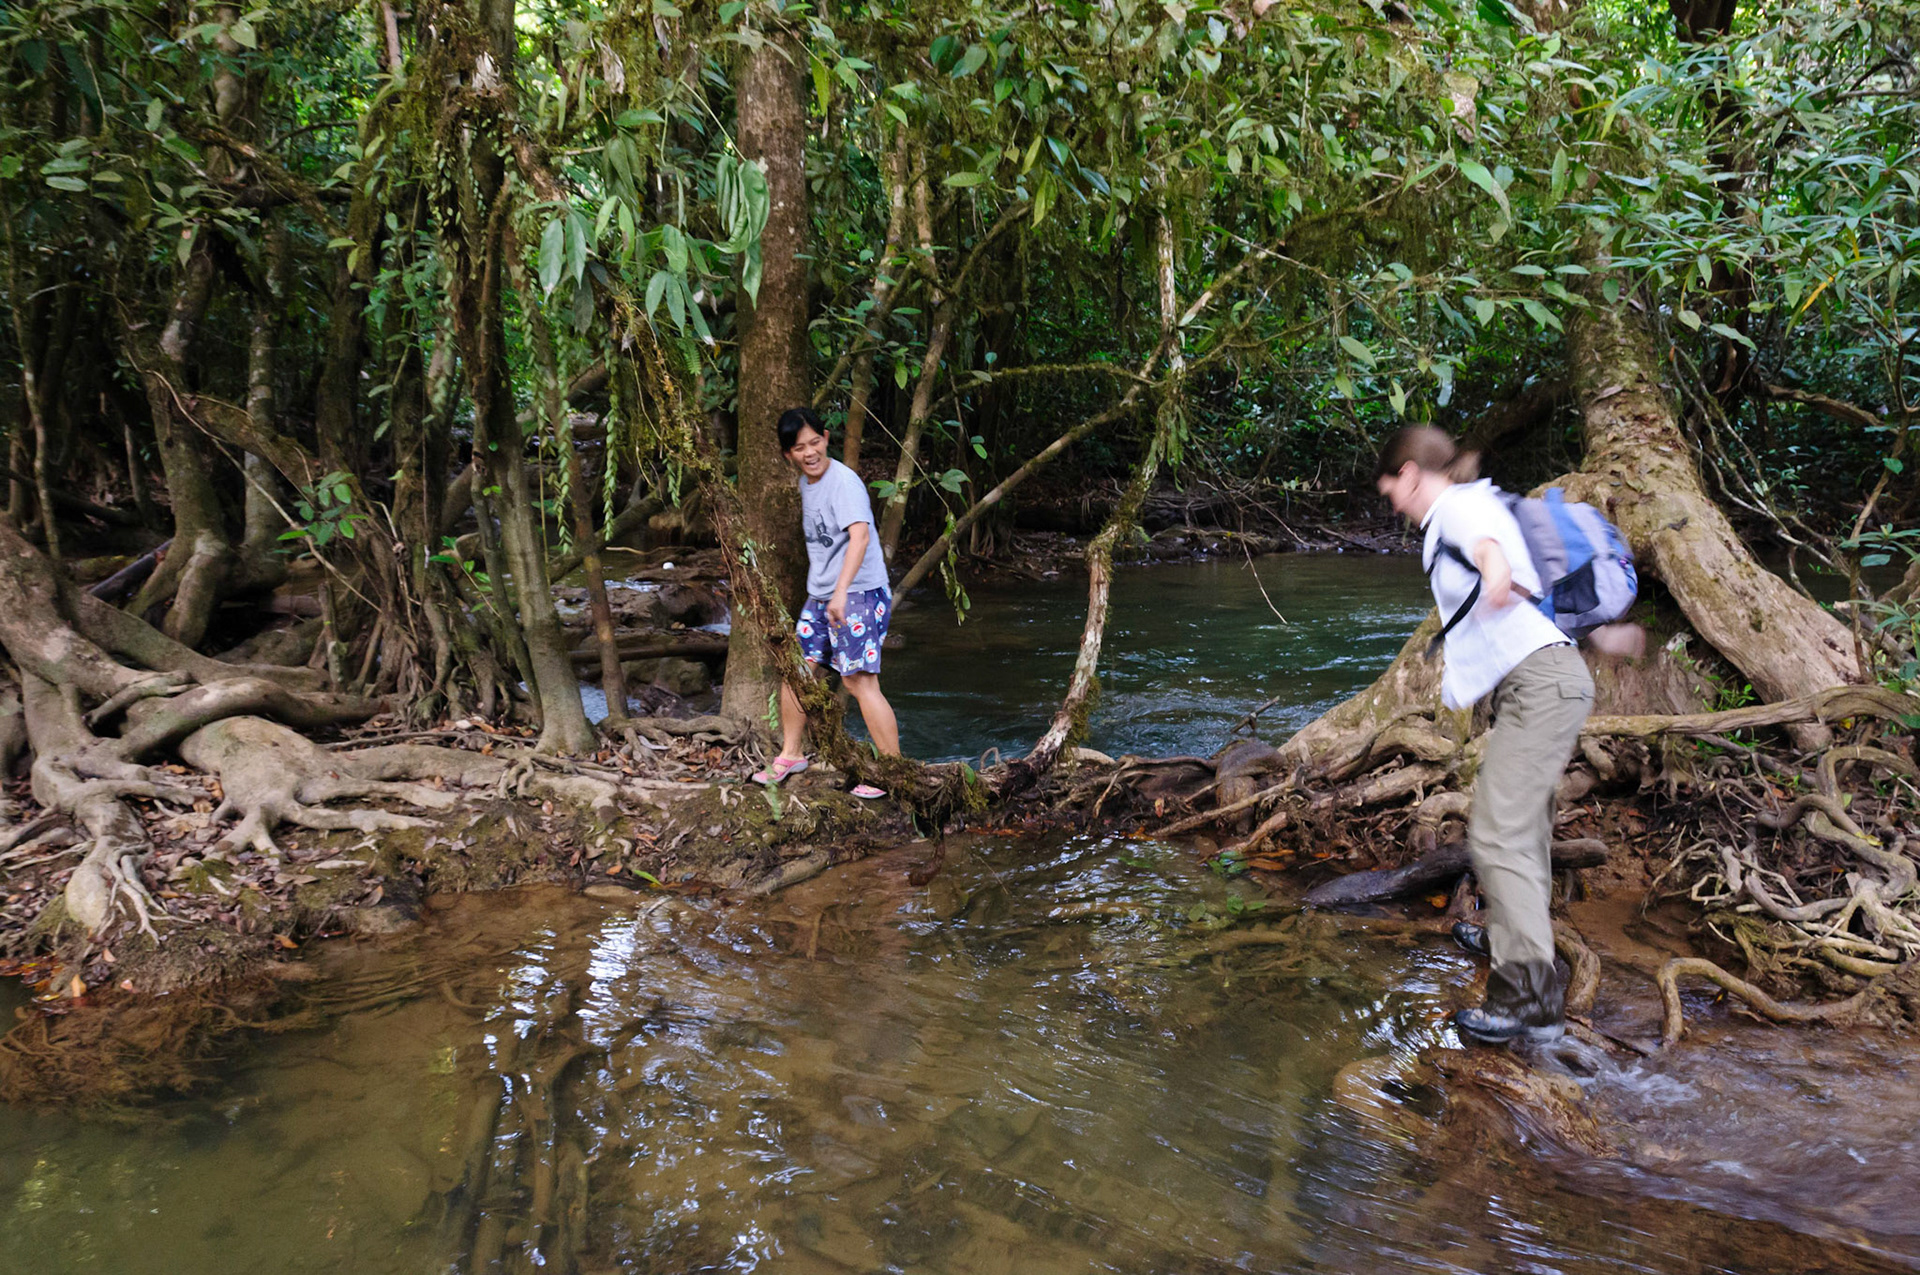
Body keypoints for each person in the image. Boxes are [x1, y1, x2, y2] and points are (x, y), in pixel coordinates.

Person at [1375, 426, 1594, 1045]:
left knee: (1496, 833)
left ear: (1413, 474)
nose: (1393, 503)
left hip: (1541, 687)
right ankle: (1510, 936)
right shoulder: (1468, 504)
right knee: (1522, 824)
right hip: (1542, 683)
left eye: (1392, 488)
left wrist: (1495, 568)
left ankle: (1527, 998)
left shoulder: (1459, 508)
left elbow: (1490, 550)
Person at [749, 407, 900, 797]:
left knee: (858, 681)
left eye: (816, 442)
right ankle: (791, 754)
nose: (810, 452)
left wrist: (839, 593)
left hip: (860, 592)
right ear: (789, 455)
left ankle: (892, 770)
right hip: (823, 594)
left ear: (827, 438)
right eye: (800, 447)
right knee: (799, 671)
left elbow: (860, 538)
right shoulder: (806, 484)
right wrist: (827, 593)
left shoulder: (844, 483)